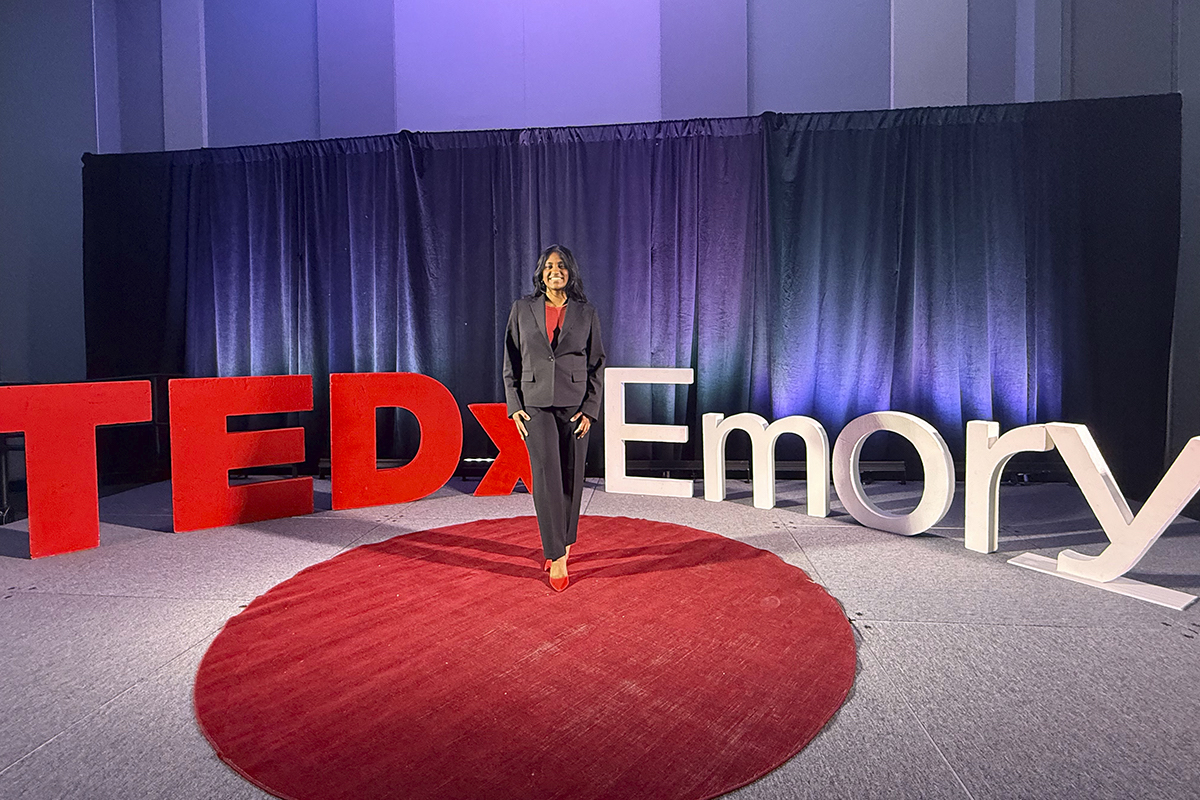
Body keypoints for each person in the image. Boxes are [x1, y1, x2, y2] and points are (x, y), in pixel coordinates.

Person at [502, 245, 606, 592]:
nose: (554, 270)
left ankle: (563, 538)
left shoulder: (586, 313)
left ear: (570, 272)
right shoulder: (522, 309)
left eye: (561, 265)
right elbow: (511, 360)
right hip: (535, 405)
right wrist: (514, 404)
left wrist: (591, 409)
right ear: (540, 273)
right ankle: (557, 555)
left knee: (572, 478)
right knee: (546, 477)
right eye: (548, 266)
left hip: (575, 406)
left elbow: (596, 365)